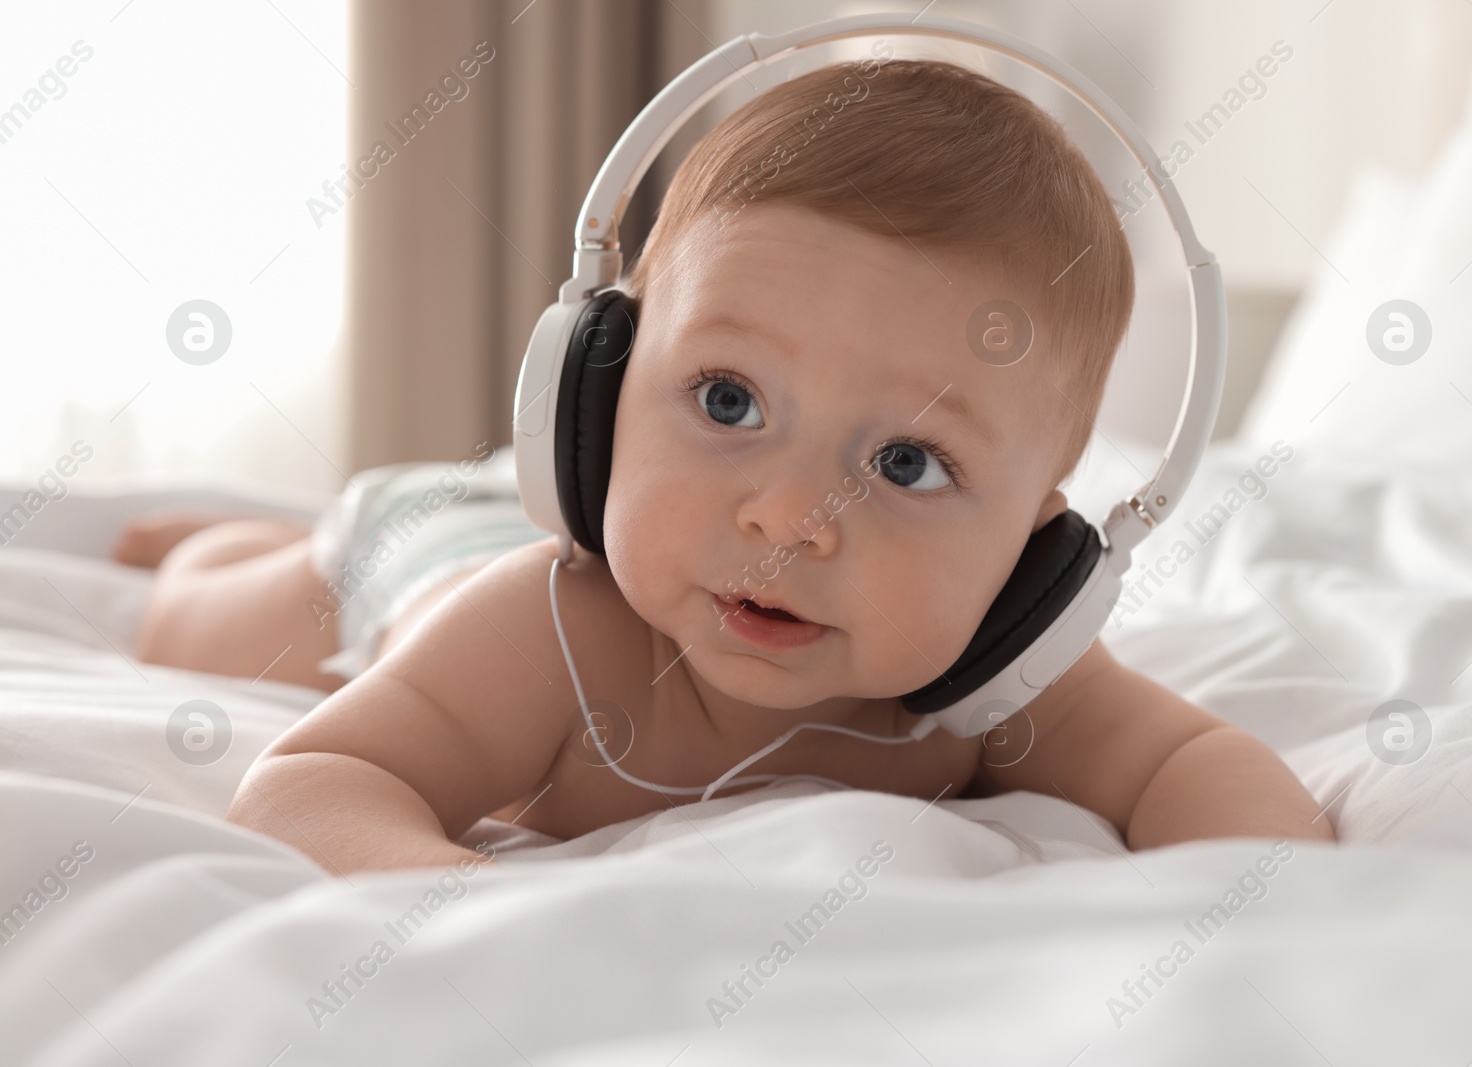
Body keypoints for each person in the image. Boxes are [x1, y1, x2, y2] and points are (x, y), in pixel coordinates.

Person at [117, 58, 1335, 874]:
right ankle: (221, 546)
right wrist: (459, 907)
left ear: (1038, 556)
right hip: (437, 547)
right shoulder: (542, 633)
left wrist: (1259, 900)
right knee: (225, 619)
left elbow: (1195, 764)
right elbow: (321, 777)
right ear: (595, 392)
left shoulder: (995, 693)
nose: (792, 518)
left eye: (907, 461)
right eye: (728, 399)